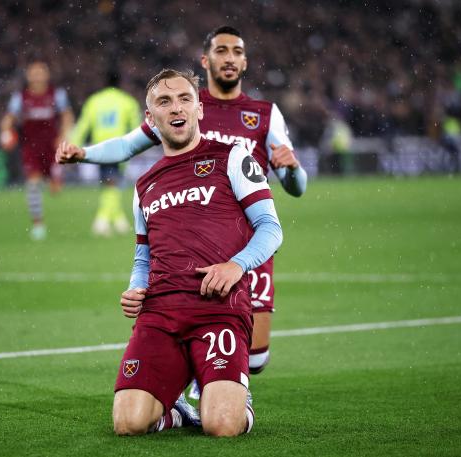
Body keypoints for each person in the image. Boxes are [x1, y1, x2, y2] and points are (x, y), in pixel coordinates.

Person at [57, 26, 306, 377]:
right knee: (197, 338)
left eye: (237, 51)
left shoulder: (264, 115)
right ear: (206, 60)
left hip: (251, 244)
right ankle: (192, 393)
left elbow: (297, 187)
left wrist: (292, 168)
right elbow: (128, 145)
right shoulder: (181, 107)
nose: (229, 58)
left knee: (255, 358)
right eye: (221, 50)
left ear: (245, 62)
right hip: (197, 244)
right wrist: (83, 153)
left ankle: (217, 388)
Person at [112, 69, 283, 436]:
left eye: (185, 99)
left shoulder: (233, 158)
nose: (177, 108)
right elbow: (143, 256)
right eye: (164, 101)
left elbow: (271, 229)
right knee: (127, 423)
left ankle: (237, 399)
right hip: (159, 313)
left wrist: (237, 265)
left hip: (218, 310)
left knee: (222, 425)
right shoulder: (144, 185)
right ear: (150, 118)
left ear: (199, 109)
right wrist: (134, 288)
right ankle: (176, 410)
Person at [0, 60, 75, 240]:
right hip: (31, 148)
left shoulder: (56, 94)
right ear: (28, 76)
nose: (37, 76)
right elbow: (8, 118)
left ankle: (55, 180)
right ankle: (38, 224)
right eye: (34, 72)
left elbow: (67, 116)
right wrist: (4, 131)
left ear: (47, 75)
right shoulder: (20, 97)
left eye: (41, 72)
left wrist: (64, 135)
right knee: (33, 185)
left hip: (52, 147)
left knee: (55, 189)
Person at [69, 70, 141, 236]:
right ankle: (103, 219)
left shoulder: (94, 101)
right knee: (113, 183)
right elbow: (136, 126)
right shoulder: (127, 101)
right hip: (121, 146)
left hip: (100, 147)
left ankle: (117, 219)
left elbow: (83, 126)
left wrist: (74, 145)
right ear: (120, 83)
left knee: (110, 183)